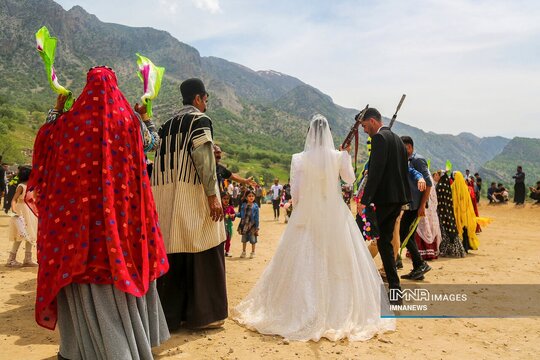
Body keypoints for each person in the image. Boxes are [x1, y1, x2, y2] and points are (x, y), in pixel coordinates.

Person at [27, 67, 170, 360]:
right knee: (119, 276)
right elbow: (152, 144)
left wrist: (56, 110)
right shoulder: (129, 121)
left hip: (76, 233)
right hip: (120, 227)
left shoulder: (68, 124)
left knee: (79, 278)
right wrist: (146, 116)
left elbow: (44, 140)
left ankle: (78, 349)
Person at [234, 114, 394, 341]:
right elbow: (349, 180)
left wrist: (299, 210)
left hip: (307, 212)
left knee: (303, 259)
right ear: (328, 132)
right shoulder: (338, 156)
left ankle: (303, 308)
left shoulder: (298, 158)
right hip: (335, 212)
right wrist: (345, 155)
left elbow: (296, 191)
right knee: (338, 259)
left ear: (310, 132)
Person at [151, 78, 228, 331]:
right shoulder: (199, 121)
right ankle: (204, 315)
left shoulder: (166, 125)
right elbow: (202, 156)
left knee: (174, 248)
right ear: (198, 99)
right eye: (206, 99)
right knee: (203, 242)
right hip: (192, 193)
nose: (206, 104)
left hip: (164, 194)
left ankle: (171, 316)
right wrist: (212, 195)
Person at [358, 108, 411, 302]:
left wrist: (364, 200)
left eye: (364, 126)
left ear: (372, 121)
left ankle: (361, 283)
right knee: (385, 244)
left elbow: (376, 171)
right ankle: (396, 292)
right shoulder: (397, 139)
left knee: (364, 235)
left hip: (383, 200)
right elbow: (403, 170)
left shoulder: (379, 139)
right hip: (397, 199)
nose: (364, 130)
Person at [398, 136, 432, 280]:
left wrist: (422, 205)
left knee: (403, 233)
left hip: (416, 205)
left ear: (410, 147)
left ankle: (420, 264)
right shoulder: (406, 161)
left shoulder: (418, 160)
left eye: (404, 149)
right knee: (409, 235)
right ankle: (418, 269)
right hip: (409, 204)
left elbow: (428, 183)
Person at [6, 166, 38, 267]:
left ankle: (27, 259)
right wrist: (14, 210)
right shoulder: (21, 186)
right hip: (21, 212)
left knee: (30, 235)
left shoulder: (32, 186)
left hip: (31, 212)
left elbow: (35, 199)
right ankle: (11, 259)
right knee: (20, 235)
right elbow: (14, 200)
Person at [434, 170, 466, 257]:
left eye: (437, 175)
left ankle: (445, 250)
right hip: (448, 212)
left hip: (441, 211)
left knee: (443, 230)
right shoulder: (447, 185)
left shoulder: (440, 186)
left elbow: (438, 200)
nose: (435, 176)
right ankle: (455, 250)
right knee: (450, 229)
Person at [451, 171, 480, 252]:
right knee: (465, 229)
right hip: (465, 213)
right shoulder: (466, 188)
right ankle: (466, 247)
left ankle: (459, 247)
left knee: (458, 229)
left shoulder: (453, 187)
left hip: (456, 212)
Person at [237, 190, 260, 259]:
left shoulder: (256, 206)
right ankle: (244, 252)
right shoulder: (243, 205)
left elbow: (257, 217)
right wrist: (234, 214)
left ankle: (253, 252)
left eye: (252, 196)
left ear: (255, 197)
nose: (251, 197)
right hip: (244, 225)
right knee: (244, 239)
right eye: (249, 196)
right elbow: (240, 214)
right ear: (246, 197)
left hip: (252, 225)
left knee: (253, 240)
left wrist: (257, 227)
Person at [222, 192, 236, 257]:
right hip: (221, 227)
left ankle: (227, 251)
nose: (226, 200)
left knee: (228, 240)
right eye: (224, 198)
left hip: (229, 227)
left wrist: (233, 216)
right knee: (221, 240)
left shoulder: (231, 207)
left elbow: (233, 217)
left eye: (227, 198)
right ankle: (221, 252)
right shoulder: (219, 207)